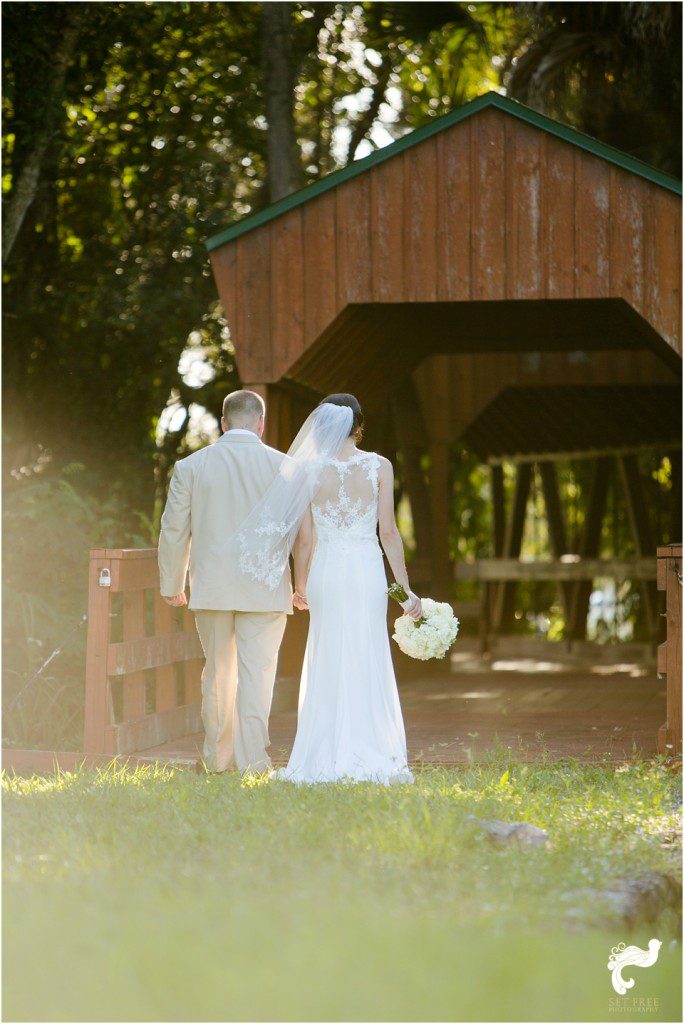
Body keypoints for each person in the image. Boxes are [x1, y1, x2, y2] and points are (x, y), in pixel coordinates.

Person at [268, 393, 422, 785]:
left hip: (327, 573)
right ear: (358, 424)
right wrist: (404, 592)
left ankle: (323, 752)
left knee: (327, 652)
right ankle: (372, 747)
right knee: (367, 650)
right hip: (366, 571)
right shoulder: (379, 466)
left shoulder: (308, 471)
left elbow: (305, 539)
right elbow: (388, 532)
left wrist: (300, 585)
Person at [157, 390, 292, 774]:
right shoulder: (284, 467)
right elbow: (299, 532)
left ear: (223, 423)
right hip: (265, 589)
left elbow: (173, 529)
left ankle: (217, 759)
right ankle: (253, 762)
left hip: (212, 586)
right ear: (261, 424)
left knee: (218, 674)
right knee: (258, 676)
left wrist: (172, 581)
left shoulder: (191, 467)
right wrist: (301, 585)